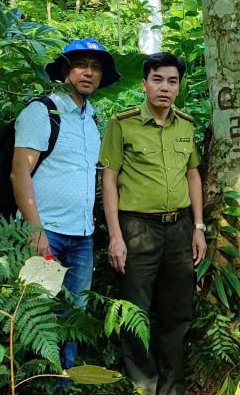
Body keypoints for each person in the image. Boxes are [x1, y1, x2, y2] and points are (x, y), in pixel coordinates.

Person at [11, 37, 121, 372]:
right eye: (81, 65)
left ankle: (64, 382)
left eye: (96, 67)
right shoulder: (42, 111)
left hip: (82, 237)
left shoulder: (92, 119)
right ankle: (33, 382)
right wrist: (34, 230)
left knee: (73, 317)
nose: (89, 73)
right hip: (47, 235)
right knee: (38, 317)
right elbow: (19, 174)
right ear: (65, 70)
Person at [99, 52, 206, 395]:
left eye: (172, 81)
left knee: (178, 313)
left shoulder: (185, 124)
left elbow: (193, 175)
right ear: (144, 83)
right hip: (136, 229)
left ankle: (172, 388)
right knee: (135, 313)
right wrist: (115, 236)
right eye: (157, 79)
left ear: (179, 87)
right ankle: (143, 386)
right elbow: (109, 180)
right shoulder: (122, 123)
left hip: (179, 228)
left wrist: (199, 227)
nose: (165, 87)